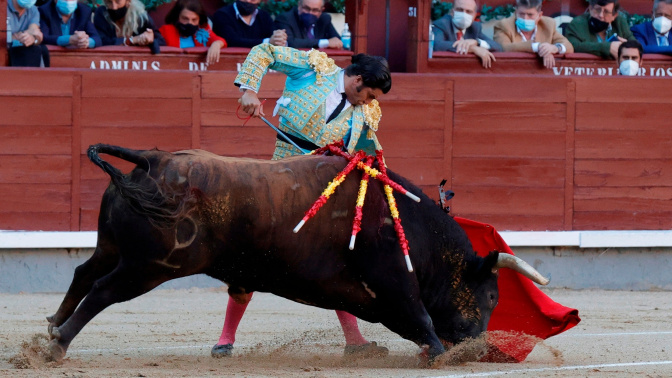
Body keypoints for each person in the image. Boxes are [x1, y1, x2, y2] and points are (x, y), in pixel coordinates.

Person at [211, 44, 392, 358]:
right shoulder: (314, 68)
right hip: (277, 182)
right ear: (358, 81)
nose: (370, 101)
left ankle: (354, 340)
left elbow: (372, 157)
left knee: (335, 260)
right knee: (253, 254)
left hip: (319, 195)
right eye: (370, 94)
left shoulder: (365, 114)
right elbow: (264, 51)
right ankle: (226, 338)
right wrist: (250, 89)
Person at [493, 0, 573, 69]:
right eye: (521, 14)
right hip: (511, 72)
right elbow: (502, 47)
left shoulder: (548, 24)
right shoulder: (504, 25)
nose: (525, 18)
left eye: (530, 15)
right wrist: (538, 47)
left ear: (539, 15)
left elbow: (569, 46)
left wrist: (554, 48)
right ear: (516, 12)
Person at [432, 0, 502, 68]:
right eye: (460, 10)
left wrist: (477, 42)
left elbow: (497, 47)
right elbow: (437, 45)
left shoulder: (475, 27)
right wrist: (472, 48)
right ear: (452, 12)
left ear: (474, 15)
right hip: (446, 69)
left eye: (468, 11)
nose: (464, 14)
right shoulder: (442, 24)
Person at [158, 0, 226, 65]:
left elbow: (220, 40)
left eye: (194, 20)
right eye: (185, 18)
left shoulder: (203, 31)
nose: (190, 23)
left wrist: (216, 45)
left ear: (199, 20)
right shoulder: (166, 30)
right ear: (177, 17)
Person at [565, 0, 635, 59]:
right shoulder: (577, 23)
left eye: (606, 12)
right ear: (590, 9)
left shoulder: (620, 23)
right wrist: (607, 48)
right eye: (597, 10)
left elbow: (636, 45)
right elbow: (573, 46)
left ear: (614, 15)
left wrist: (627, 46)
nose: (601, 15)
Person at [93, 0, 165, 54]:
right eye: (109, 2)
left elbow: (161, 43)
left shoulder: (140, 16)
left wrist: (149, 39)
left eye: (118, 1)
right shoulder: (102, 13)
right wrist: (132, 40)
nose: (114, 7)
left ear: (128, 1)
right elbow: (100, 41)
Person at [211, 0, 287, 48]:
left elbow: (273, 36)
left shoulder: (264, 16)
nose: (248, 1)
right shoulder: (222, 15)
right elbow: (231, 41)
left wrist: (279, 38)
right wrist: (267, 42)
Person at [274, 0, 342, 49]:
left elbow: (336, 41)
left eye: (315, 10)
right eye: (307, 8)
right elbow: (289, 42)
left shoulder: (324, 19)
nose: (310, 13)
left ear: (321, 10)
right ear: (299, 5)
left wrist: (332, 42)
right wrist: (324, 43)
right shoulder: (285, 18)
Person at [7, 0, 48, 66]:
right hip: (4, 54)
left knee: (40, 49)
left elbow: (36, 32)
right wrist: (28, 35)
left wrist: (33, 38)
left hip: (24, 57)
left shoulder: (33, 9)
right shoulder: (3, 6)